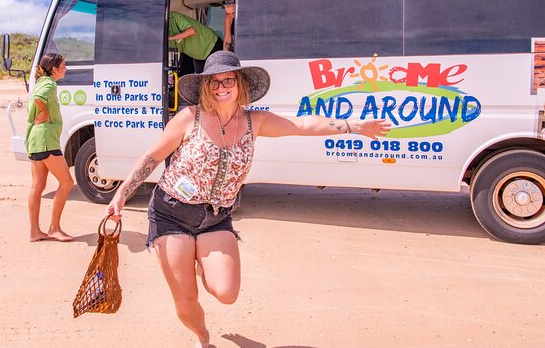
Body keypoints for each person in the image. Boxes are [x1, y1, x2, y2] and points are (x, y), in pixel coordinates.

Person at [105, 51, 390, 348]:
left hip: (215, 216)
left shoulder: (257, 122)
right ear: (206, 87)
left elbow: (302, 125)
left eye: (228, 79)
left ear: (240, 83)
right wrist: (122, 193)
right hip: (172, 213)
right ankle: (203, 337)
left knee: (227, 293)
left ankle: (202, 261)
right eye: (213, 82)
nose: (221, 87)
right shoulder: (190, 117)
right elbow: (152, 157)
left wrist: (354, 126)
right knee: (186, 299)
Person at [25, 53, 74, 242]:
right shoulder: (49, 84)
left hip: (35, 140)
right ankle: (54, 228)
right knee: (67, 182)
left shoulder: (41, 81)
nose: (66, 68)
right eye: (63, 65)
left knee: (37, 187)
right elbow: (38, 98)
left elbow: (36, 97)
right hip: (46, 140)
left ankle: (35, 232)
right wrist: (45, 112)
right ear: (54, 69)